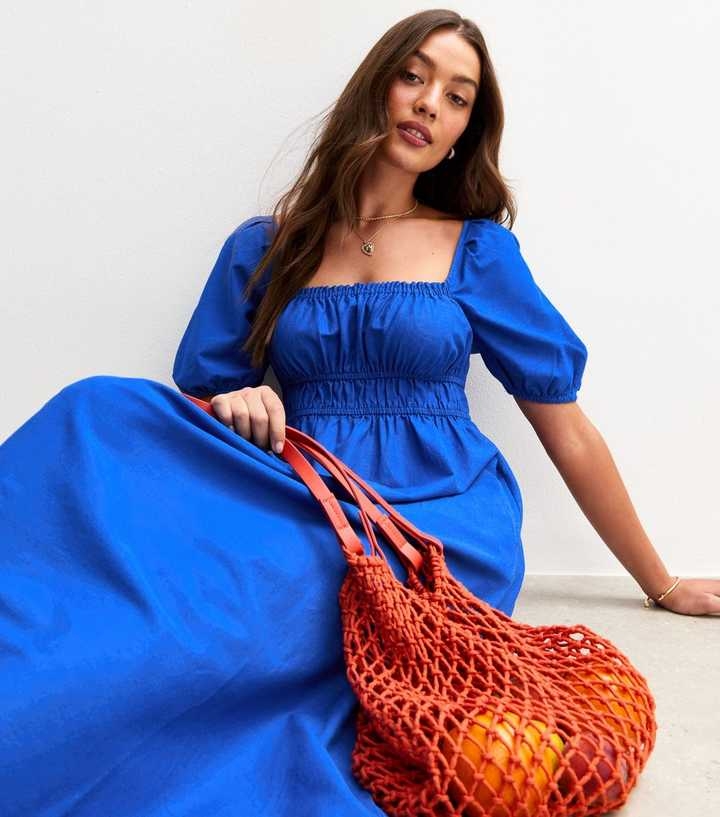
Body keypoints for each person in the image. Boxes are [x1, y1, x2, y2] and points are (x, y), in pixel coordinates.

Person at [2, 9, 718, 817]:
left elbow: (568, 429)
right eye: (414, 76)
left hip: (437, 520)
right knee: (98, 411)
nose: (430, 104)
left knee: (270, 603)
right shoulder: (267, 246)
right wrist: (239, 400)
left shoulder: (478, 250)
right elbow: (202, 407)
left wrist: (660, 582)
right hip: (304, 494)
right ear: (376, 87)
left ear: (463, 133)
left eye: (457, 97)